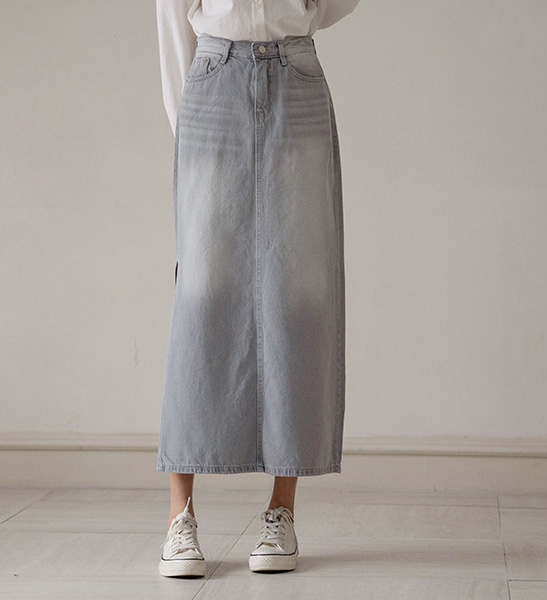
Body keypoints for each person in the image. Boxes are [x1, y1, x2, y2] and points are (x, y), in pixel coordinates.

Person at [155, 0, 361, 578]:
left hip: (296, 77)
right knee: (199, 297)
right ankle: (179, 516)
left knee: (299, 293)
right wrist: (188, 126)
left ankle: (282, 511)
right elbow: (172, 15)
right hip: (212, 79)